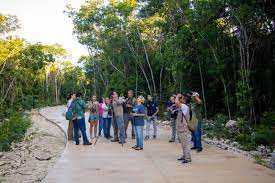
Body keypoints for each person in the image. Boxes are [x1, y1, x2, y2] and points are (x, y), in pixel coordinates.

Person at [175, 93, 191, 164]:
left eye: (181, 98)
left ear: (184, 100)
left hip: (184, 128)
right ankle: (184, 155)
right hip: (181, 128)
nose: (179, 99)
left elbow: (176, 102)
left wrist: (177, 96)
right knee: (183, 143)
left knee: (185, 143)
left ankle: (188, 158)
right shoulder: (182, 106)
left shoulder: (184, 106)